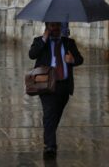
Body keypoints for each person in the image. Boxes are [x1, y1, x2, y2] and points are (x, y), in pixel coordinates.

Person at [28, 22, 83, 159]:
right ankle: (50, 146)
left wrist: (73, 60)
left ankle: (49, 136)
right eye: (52, 26)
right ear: (47, 27)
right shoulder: (40, 41)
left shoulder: (69, 42)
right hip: (46, 85)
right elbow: (32, 55)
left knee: (55, 115)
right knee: (49, 114)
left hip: (64, 85)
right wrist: (43, 39)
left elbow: (80, 59)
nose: (55, 29)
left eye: (57, 26)